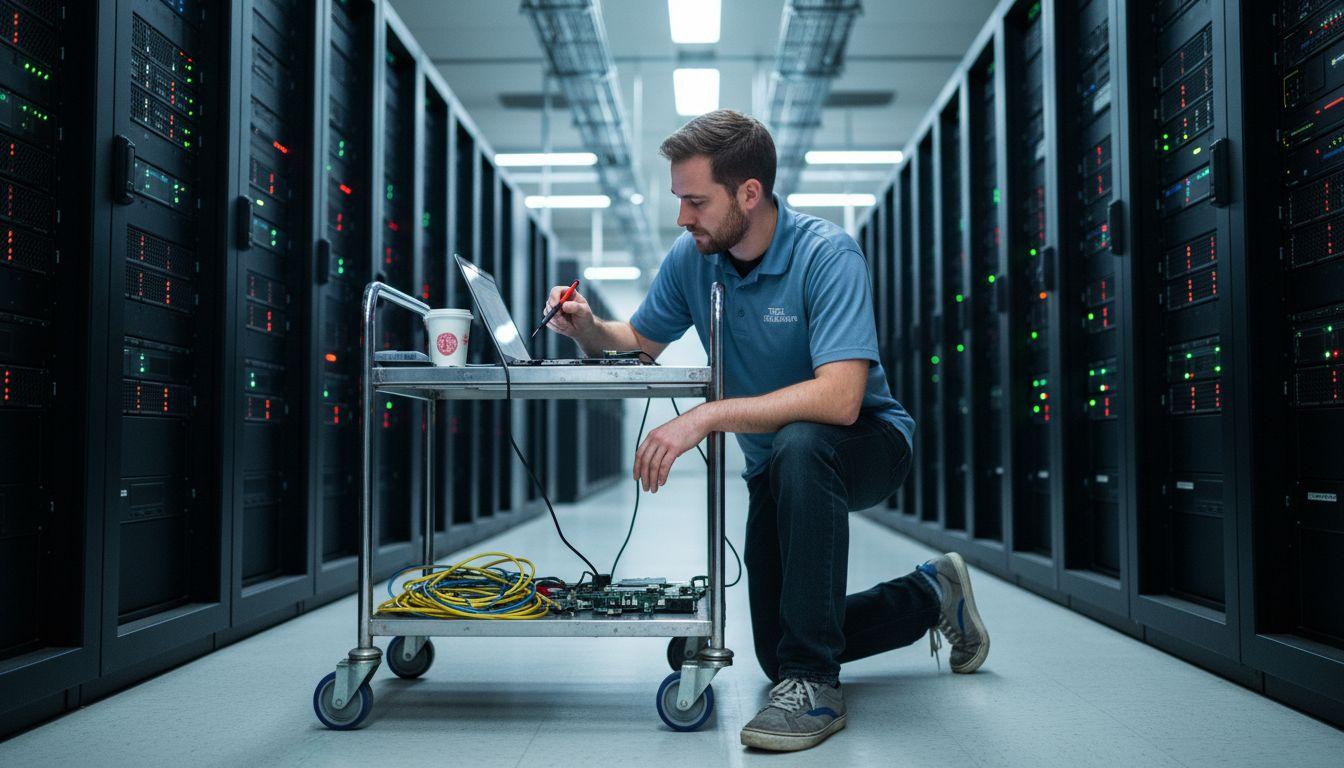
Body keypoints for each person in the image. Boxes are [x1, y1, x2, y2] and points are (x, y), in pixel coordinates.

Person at [542, 109, 989, 752]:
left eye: (695, 201)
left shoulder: (825, 255)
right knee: (776, 647)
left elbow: (839, 398)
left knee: (802, 442)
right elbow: (639, 342)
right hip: (776, 468)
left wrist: (708, 414)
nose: (682, 218)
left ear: (748, 193)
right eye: (679, 201)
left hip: (865, 444)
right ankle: (930, 594)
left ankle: (814, 687)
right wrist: (585, 326)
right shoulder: (694, 258)